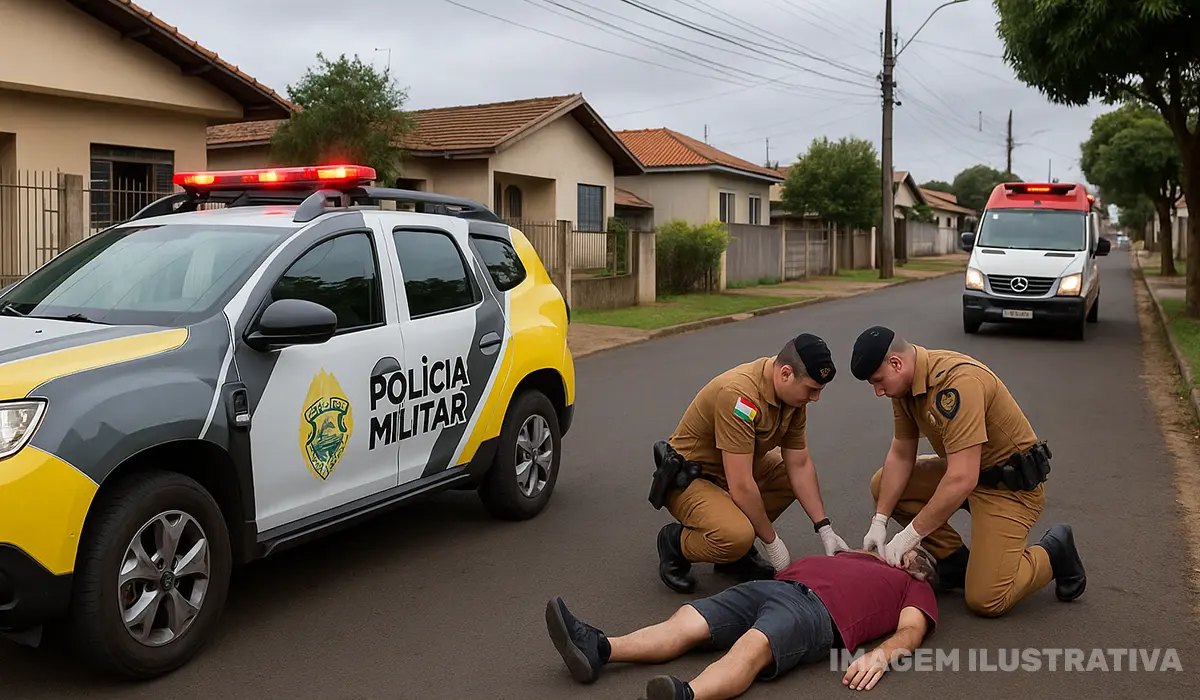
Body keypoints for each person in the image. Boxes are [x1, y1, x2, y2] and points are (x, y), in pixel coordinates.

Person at [847, 325, 1086, 618]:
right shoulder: (904, 387)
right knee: (882, 483)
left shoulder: (957, 382)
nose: (878, 391)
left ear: (896, 363)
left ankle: (1054, 551)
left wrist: (909, 536)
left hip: (1008, 489)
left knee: (987, 599)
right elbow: (901, 452)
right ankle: (954, 563)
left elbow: (962, 478)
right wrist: (880, 520)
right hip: (966, 472)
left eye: (878, 381)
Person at [544, 547, 940, 700]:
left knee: (753, 646)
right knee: (689, 620)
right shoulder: (862, 556)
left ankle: (687, 695)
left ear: (924, 572)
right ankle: (599, 648)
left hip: (817, 612)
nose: (908, 552)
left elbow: (911, 630)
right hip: (774, 588)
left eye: (919, 555)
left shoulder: (915, 588)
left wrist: (881, 657)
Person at [651, 333, 851, 594]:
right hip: (692, 479)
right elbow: (742, 485)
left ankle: (733, 557)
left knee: (785, 472)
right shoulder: (738, 395)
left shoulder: (792, 398)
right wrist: (772, 542)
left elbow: (799, 464)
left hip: (733, 468)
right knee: (736, 535)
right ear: (786, 373)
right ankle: (676, 544)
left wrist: (824, 528)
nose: (815, 398)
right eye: (812, 389)